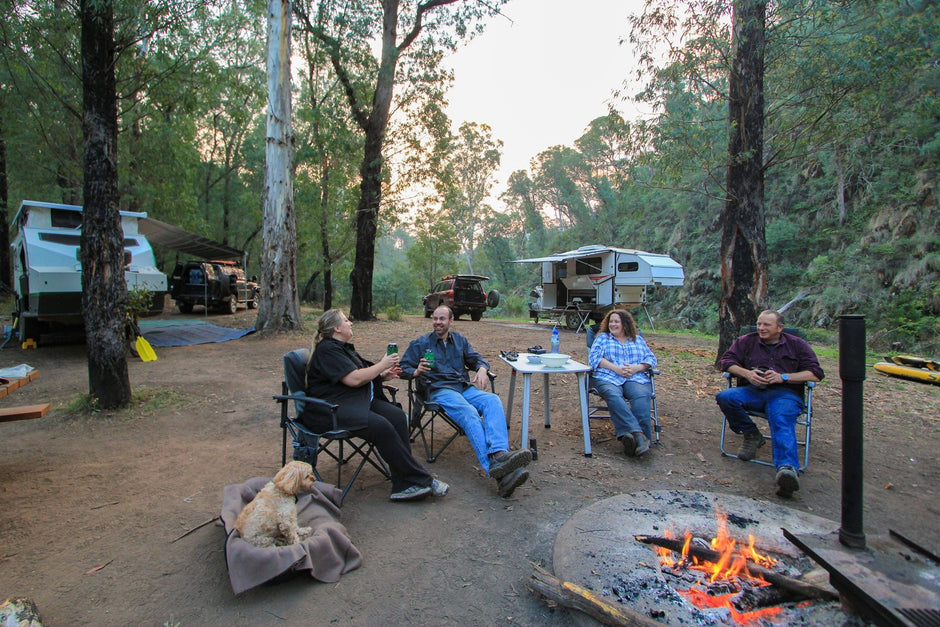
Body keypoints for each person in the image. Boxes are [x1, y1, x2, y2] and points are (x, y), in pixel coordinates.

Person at [301, 309, 449, 502]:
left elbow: (357, 374)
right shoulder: (327, 350)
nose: (350, 323)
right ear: (337, 328)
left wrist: (381, 376)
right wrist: (382, 364)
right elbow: (353, 379)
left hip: (352, 401)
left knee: (396, 415)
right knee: (381, 426)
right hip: (330, 410)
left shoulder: (341, 348)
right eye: (346, 320)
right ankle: (420, 479)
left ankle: (403, 481)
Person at [400, 306, 532, 498]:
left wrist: (481, 369)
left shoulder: (460, 341)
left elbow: (477, 359)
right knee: (469, 412)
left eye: (442, 319)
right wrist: (416, 371)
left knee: (492, 400)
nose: (437, 322)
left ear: (451, 321)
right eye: (435, 318)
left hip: (462, 387)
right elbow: (402, 367)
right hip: (439, 389)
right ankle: (497, 472)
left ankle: (499, 454)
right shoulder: (420, 344)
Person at [716, 310, 824, 498]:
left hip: (785, 394)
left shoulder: (797, 345)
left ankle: (786, 470)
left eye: (766, 325)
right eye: (759, 324)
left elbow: (815, 373)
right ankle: (751, 434)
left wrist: (783, 377)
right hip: (753, 391)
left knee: (780, 417)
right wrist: (748, 374)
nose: (761, 328)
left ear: (780, 327)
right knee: (725, 396)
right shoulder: (746, 341)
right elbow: (726, 362)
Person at [587, 310, 658, 457]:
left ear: (625, 324)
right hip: (608, 376)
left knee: (641, 396)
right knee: (613, 395)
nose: (613, 324)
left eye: (616, 321)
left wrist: (636, 368)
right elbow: (594, 358)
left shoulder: (637, 340)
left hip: (635, 376)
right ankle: (640, 436)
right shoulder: (603, 338)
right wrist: (616, 369)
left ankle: (632, 439)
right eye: (611, 321)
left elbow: (651, 359)